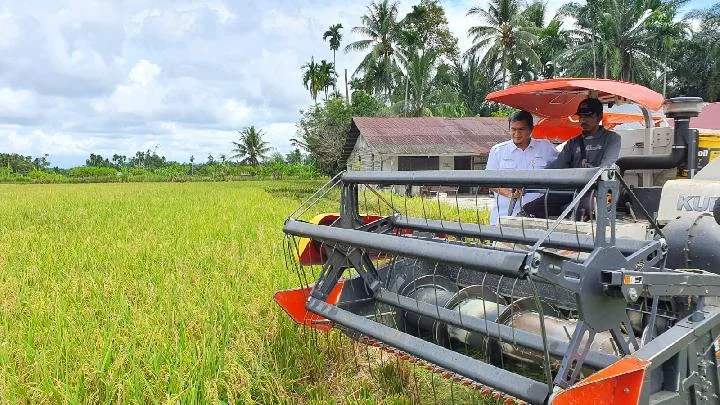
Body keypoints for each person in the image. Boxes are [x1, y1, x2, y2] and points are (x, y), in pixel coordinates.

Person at [522, 97, 622, 219]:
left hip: (598, 189)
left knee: (583, 210)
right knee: (530, 209)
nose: (583, 120)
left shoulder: (612, 138)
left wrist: (587, 172)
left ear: (599, 117)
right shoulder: (573, 143)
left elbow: (606, 166)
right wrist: (531, 180)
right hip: (573, 189)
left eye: (588, 116)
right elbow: (557, 166)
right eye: (581, 116)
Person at [486, 110, 559, 225]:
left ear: (531, 129)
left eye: (521, 129)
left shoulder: (545, 148)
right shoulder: (498, 151)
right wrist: (509, 193)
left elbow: (562, 168)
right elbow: (489, 182)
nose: (516, 133)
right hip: (504, 217)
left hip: (537, 219)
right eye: (513, 129)